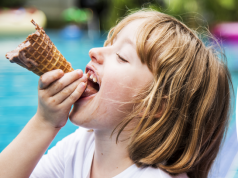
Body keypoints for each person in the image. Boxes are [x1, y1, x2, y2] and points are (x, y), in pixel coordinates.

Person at [0, 9, 232, 178]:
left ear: (155, 104)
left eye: (121, 56)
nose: (94, 51)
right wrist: (44, 122)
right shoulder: (81, 146)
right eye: (107, 43)